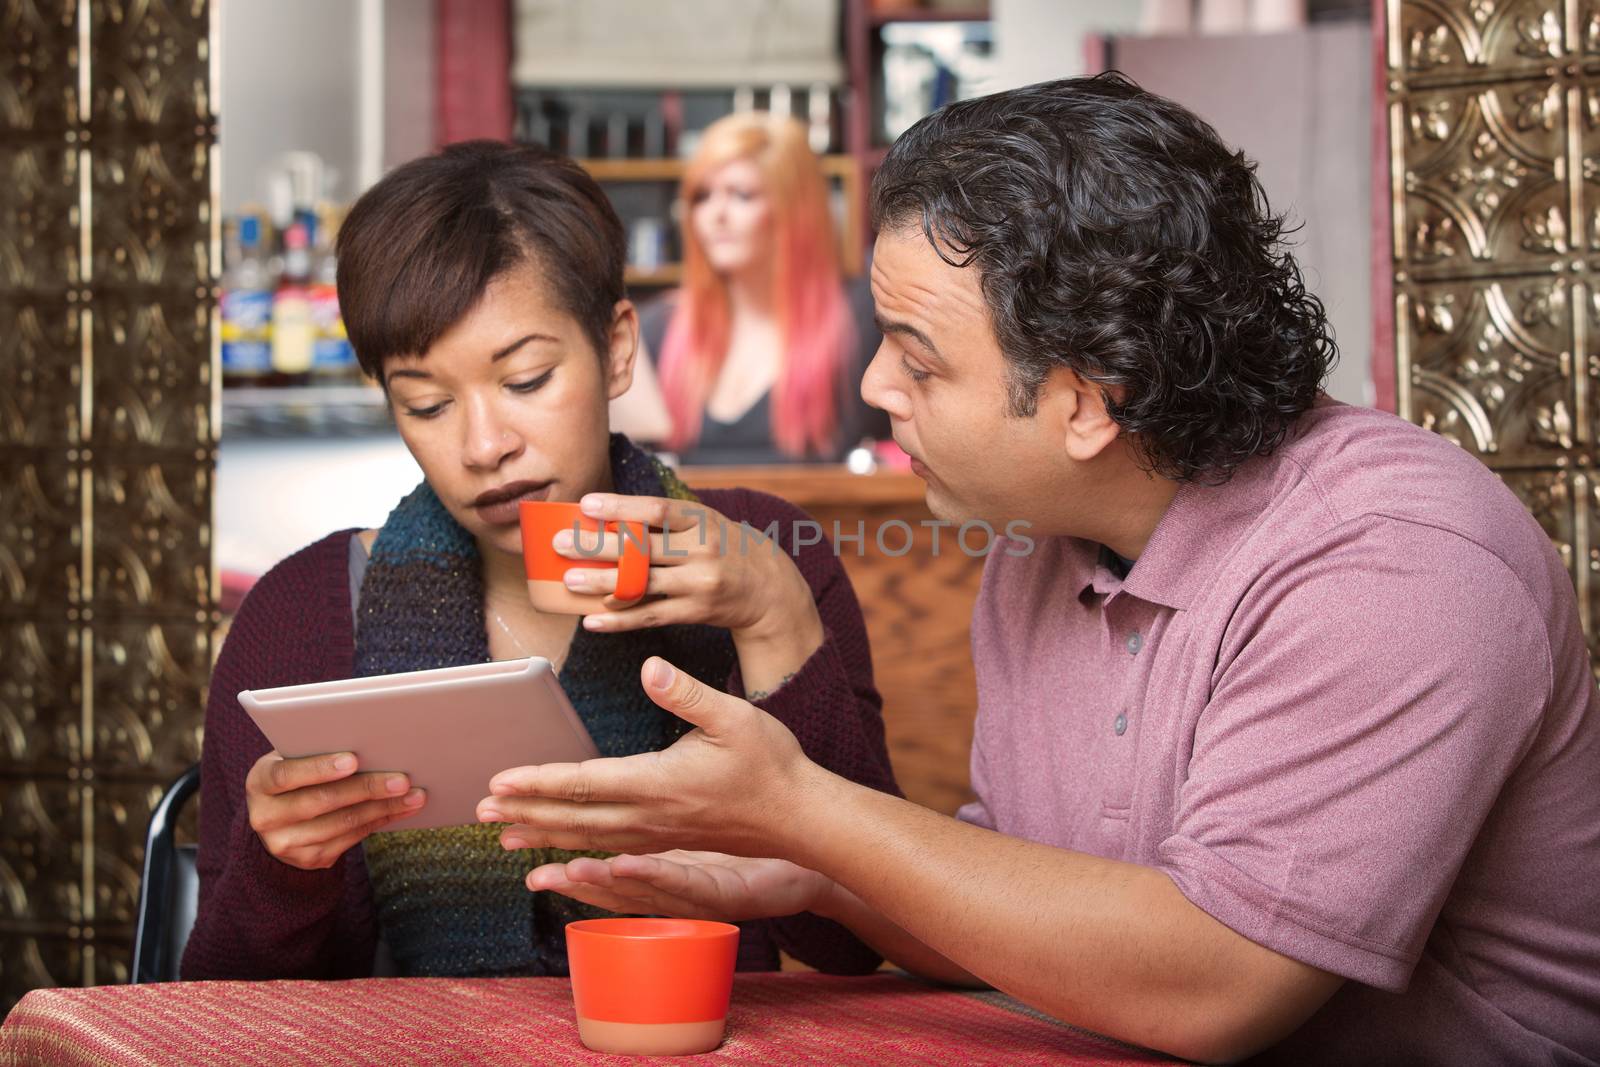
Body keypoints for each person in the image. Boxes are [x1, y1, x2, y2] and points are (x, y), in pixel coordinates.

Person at [473, 75, 1600, 1064]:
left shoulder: (1394, 562)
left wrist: (806, 810)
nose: (874, 386)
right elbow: (1035, 914)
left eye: (917, 358)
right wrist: (809, 871)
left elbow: (1218, 983)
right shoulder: (1038, 539)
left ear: (1087, 399)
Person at [181, 140, 899, 981]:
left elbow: (860, 940)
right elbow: (216, 999)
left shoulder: (767, 557)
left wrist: (778, 622)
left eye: (525, 380)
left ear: (617, 348)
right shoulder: (303, 612)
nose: (484, 446)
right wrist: (282, 868)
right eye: (428, 403)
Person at [623, 111, 889, 465]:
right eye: (702, 196)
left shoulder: (862, 321)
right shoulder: (659, 328)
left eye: (741, 195)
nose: (715, 214)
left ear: (794, 208)